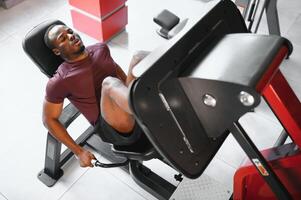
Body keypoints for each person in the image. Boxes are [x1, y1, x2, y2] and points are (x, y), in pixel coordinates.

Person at [42, 24, 148, 168]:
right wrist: (78, 152)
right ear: (56, 51)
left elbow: (116, 70)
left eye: (70, 31)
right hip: (113, 127)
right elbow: (48, 119)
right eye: (63, 38)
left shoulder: (101, 49)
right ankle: (145, 108)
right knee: (109, 84)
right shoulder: (60, 80)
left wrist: (128, 86)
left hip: (127, 106)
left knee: (139, 57)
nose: (71, 36)